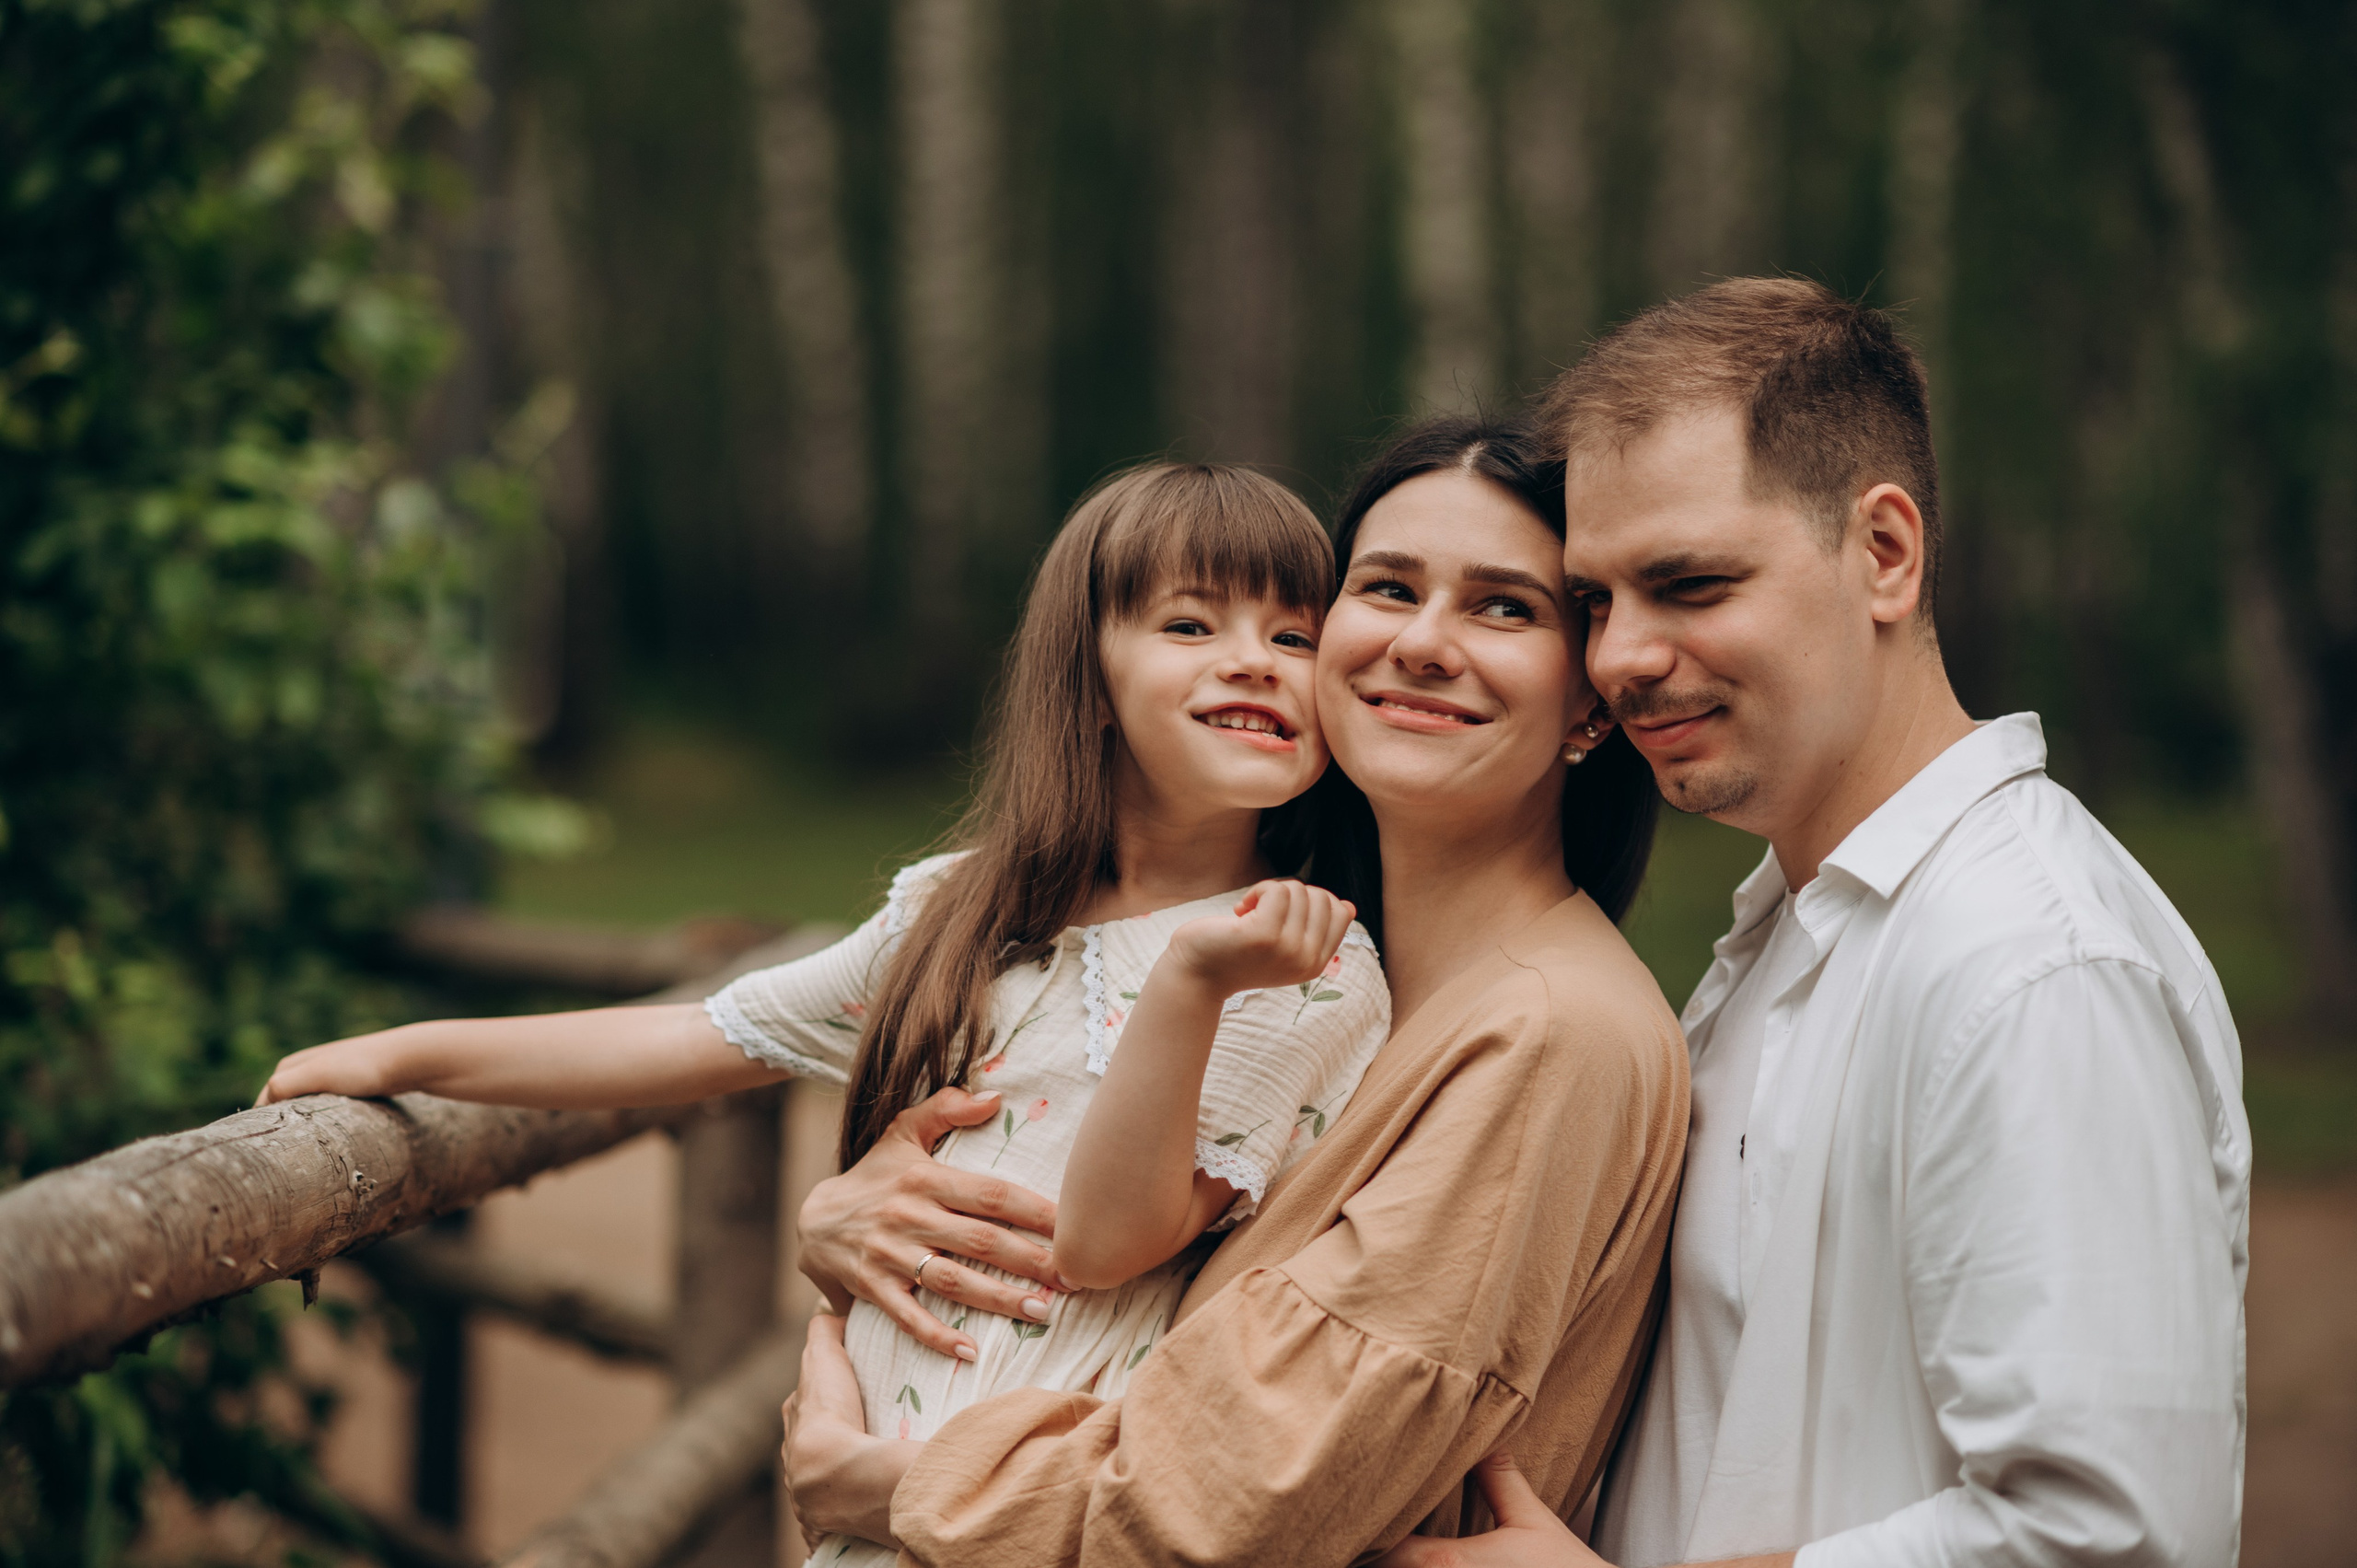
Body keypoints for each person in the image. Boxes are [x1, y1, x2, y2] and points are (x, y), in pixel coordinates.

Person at [259, 462, 1399, 1568]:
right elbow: (696, 1034)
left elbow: (1112, 1242)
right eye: (1192, 626)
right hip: (868, 1508)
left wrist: (1194, 977)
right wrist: (393, 1052)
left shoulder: (1297, 961)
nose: (1255, 662)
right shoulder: (970, 913)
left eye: (1294, 636)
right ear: (1088, 677)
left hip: (1036, 1511)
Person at [1385, 278, 2247, 1568]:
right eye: (1599, 599)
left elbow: (2111, 1533)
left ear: (1884, 553)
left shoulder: (2031, 963)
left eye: (1689, 582)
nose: (1621, 656)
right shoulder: (1806, 922)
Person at [783, 417, 1689, 1566]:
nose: (1420, 641)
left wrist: (897, 1485)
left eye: (1504, 606)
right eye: (1385, 586)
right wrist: (853, 1218)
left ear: (1591, 700)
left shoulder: (1551, 1030)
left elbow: (1246, 1488)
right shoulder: (1325, 977)